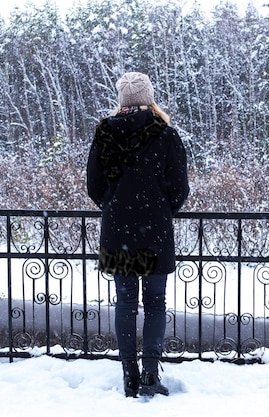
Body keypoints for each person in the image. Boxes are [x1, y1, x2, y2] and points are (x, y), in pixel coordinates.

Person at [86, 72, 189, 398]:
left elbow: (94, 186)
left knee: (126, 303)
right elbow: (179, 189)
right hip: (155, 230)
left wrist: (115, 205)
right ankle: (149, 375)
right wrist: (159, 209)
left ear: (122, 100)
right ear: (149, 97)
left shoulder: (105, 133)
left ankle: (129, 375)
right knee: (156, 303)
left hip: (118, 231)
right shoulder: (165, 134)